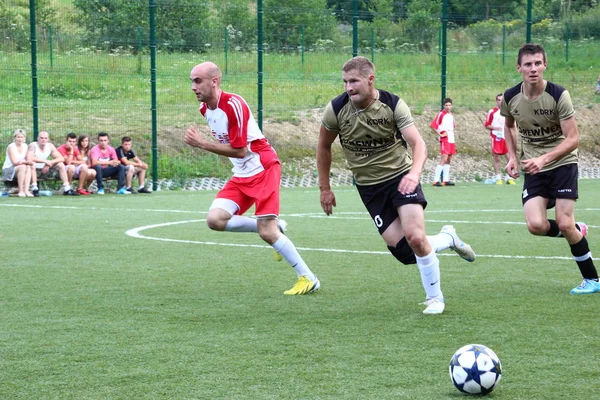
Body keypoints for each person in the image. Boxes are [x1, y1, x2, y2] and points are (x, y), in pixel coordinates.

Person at [317, 56, 476, 314]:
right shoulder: (336, 109)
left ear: (370, 80)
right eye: (345, 81)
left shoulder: (392, 105)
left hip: (401, 177)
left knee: (415, 236)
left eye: (354, 81)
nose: (349, 87)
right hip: (369, 187)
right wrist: (325, 188)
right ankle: (448, 238)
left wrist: (414, 174)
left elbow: (419, 144)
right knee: (404, 252)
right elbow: (323, 147)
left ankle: (435, 298)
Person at [185, 61, 319, 295]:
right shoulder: (205, 109)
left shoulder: (234, 104)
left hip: (263, 168)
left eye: (197, 81)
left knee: (266, 232)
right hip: (242, 173)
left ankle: (308, 278)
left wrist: (202, 144)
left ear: (214, 81)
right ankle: (276, 226)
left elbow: (239, 150)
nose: (193, 87)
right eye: (191, 82)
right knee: (215, 220)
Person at [501, 43, 599, 295]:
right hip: (533, 165)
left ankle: (592, 279)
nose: (533, 69)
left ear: (545, 65)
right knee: (536, 225)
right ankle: (578, 231)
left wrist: (545, 159)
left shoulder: (558, 95)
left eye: (537, 63)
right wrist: (512, 156)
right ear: (519, 67)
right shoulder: (511, 96)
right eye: (528, 64)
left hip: (562, 162)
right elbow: (509, 127)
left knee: (565, 223)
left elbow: (573, 138)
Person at [26, 130, 78, 196]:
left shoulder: (50, 146)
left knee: (60, 164)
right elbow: (29, 158)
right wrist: (45, 161)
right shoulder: (33, 145)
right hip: (32, 168)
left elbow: (61, 158)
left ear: (48, 139)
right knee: (32, 164)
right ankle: (34, 188)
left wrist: (49, 163)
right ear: (38, 138)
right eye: (41, 138)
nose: (43, 140)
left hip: (45, 168)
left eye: (45, 138)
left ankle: (67, 189)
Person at [483, 94, 515, 185]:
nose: (500, 102)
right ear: (496, 101)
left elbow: (512, 124)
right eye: (499, 100)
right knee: (496, 157)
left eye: (502, 100)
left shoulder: (509, 111)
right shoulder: (492, 112)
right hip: (496, 137)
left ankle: (509, 177)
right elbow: (487, 125)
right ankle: (498, 177)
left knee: (509, 157)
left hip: (506, 137)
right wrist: (495, 128)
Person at [429, 97, 456, 186]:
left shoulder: (451, 115)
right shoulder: (441, 114)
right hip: (445, 139)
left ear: (452, 106)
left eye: (449, 105)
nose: (448, 107)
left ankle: (445, 179)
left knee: (449, 159)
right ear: (443, 106)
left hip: (451, 138)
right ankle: (436, 180)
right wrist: (440, 134)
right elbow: (433, 125)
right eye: (446, 105)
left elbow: (453, 126)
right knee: (444, 158)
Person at [1, 129, 34, 197]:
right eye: (18, 137)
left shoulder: (25, 146)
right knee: (23, 167)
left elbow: (28, 159)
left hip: (21, 166)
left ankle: (26, 190)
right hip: (9, 169)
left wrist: (28, 162)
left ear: (24, 138)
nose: (20, 139)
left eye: (22, 137)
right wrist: (24, 162)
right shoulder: (11, 147)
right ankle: (21, 191)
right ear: (15, 138)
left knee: (28, 167)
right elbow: (14, 162)